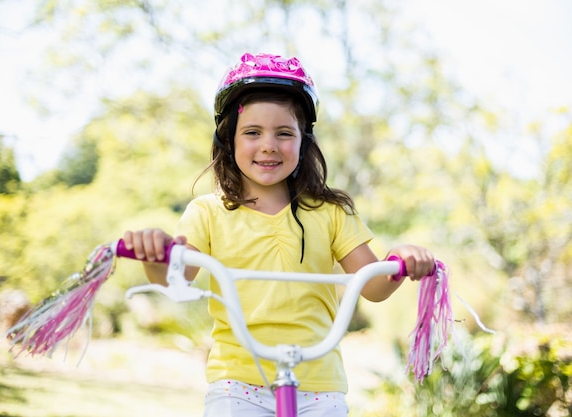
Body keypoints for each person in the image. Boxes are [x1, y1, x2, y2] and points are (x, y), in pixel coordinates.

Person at [122, 52, 435, 417]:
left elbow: (372, 286)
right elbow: (176, 279)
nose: (269, 145)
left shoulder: (331, 212)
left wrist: (399, 260)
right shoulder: (207, 212)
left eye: (284, 133)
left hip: (319, 383)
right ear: (229, 140)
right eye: (252, 132)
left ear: (303, 142)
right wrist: (155, 257)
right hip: (238, 381)